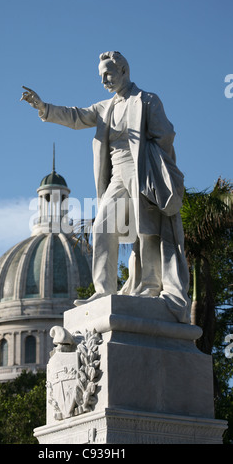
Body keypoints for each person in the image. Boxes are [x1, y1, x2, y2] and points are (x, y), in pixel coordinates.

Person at [21, 51, 190, 323]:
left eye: (108, 74)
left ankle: (149, 285)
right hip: (117, 175)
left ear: (124, 71)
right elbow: (76, 116)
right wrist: (44, 107)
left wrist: (155, 167)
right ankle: (103, 290)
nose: (104, 80)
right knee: (103, 226)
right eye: (101, 76)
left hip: (142, 170)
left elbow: (166, 135)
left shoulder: (147, 100)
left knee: (147, 230)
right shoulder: (104, 108)